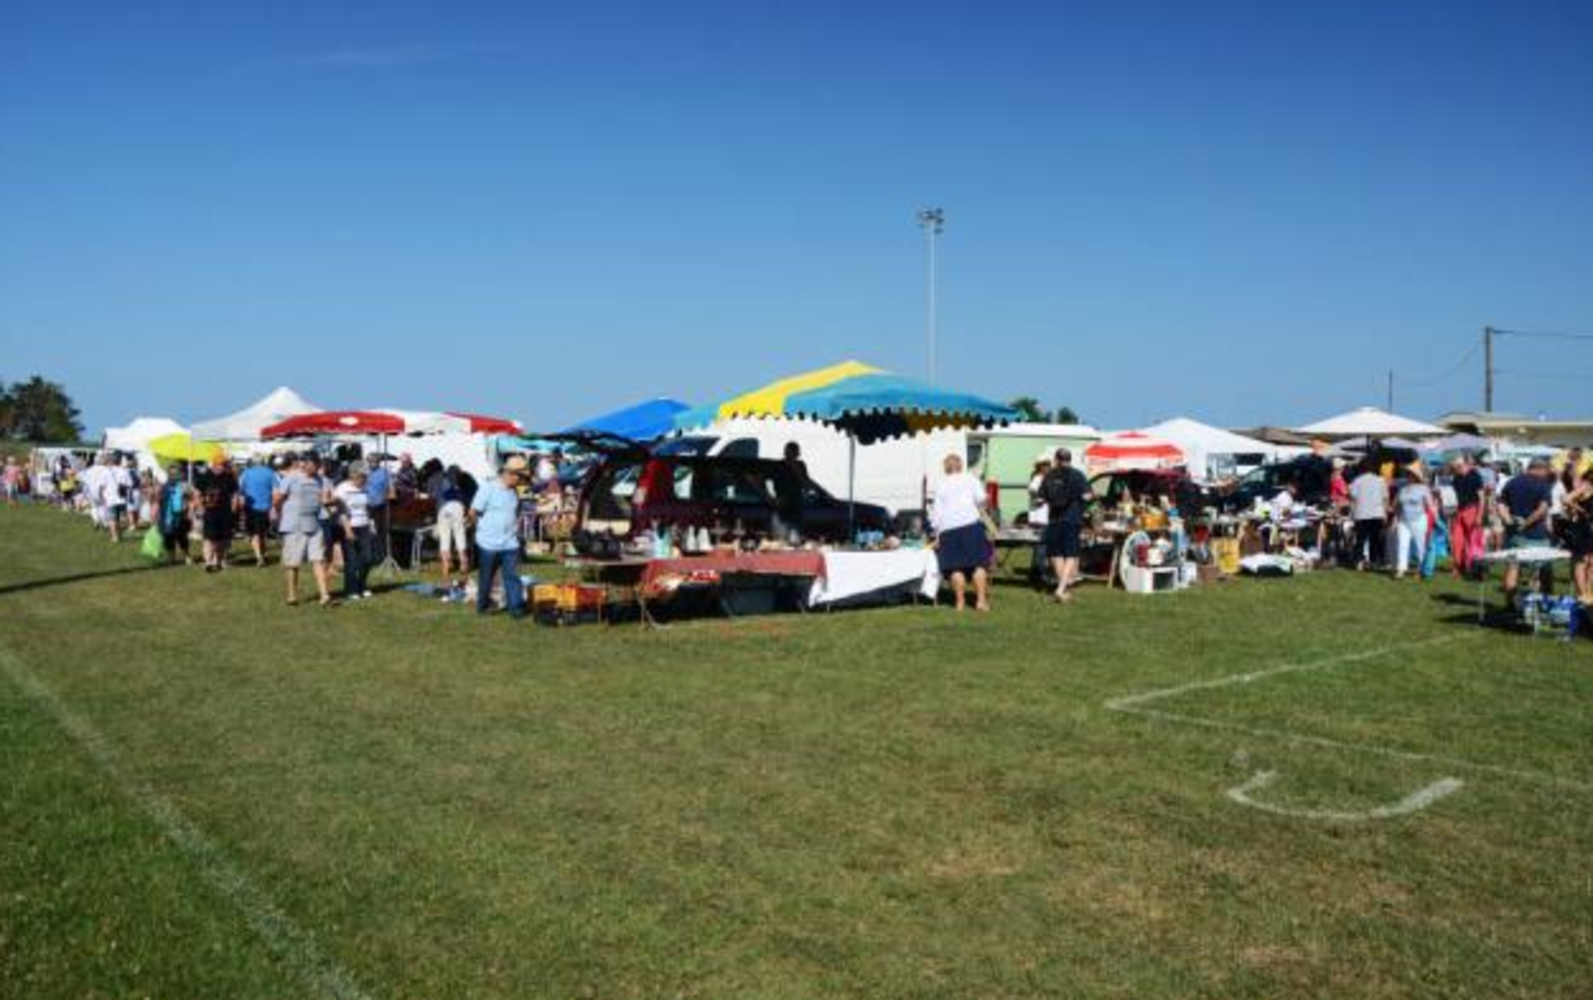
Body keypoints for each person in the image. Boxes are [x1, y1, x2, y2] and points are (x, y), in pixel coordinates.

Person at [930, 453, 991, 612]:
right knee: (979, 564)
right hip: (971, 526)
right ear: (961, 466)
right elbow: (982, 500)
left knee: (955, 567)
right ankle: (981, 601)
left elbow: (936, 514)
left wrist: (936, 535)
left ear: (946, 468)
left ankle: (960, 602)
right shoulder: (971, 479)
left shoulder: (941, 484)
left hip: (948, 529)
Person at [469, 456, 529, 618]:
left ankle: (515, 608)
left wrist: (514, 529)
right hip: (488, 543)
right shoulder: (487, 488)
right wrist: (481, 529)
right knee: (486, 578)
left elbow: (516, 512)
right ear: (509, 473)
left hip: (510, 543)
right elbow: (473, 512)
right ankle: (483, 606)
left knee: (512, 577)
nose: (521, 479)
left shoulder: (514, 491)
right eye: (519, 476)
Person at [274, 454, 334, 607]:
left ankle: (324, 595)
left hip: (314, 524)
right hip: (294, 525)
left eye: (318, 464)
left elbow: (324, 498)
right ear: (305, 464)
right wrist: (279, 512)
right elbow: (278, 499)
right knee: (293, 563)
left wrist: (331, 503)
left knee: (319, 559)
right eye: (314, 464)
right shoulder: (291, 477)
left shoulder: (321, 480)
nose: (316, 467)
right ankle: (292, 595)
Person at [1495, 457, 1554, 602]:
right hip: (1536, 535)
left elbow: (1500, 505)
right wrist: (1527, 523)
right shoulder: (1543, 484)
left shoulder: (1512, 482)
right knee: (1542, 571)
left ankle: (1509, 604)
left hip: (1514, 534)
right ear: (1540, 469)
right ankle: (1544, 603)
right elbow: (1542, 509)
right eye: (1546, 471)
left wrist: (1508, 521)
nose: (1547, 474)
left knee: (1513, 568)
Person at [1039, 447, 1090, 603]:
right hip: (1072, 518)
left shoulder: (1049, 475)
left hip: (1054, 518)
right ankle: (1061, 588)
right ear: (1070, 459)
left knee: (1056, 553)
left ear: (1056, 459)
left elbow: (1041, 498)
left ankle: (1062, 588)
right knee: (1071, 554)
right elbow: (1087, 496)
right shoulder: (1078, 475)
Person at [334, 465, 376, 600]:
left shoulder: (364, 488)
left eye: (365, 477)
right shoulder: (342, 489)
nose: (364, 480)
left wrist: (371, 525)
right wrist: (347, 529)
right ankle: (351, 590)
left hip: (364, 526)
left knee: (368, 558)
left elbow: (367, 508)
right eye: (362, 477)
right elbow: (341, 511)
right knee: (351, 561)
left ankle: (361, 584)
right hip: (349, 527)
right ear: (354, 476)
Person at [193, 459, 239, 573]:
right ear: (214, 464)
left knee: (223, 539)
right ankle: (208, 562)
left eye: (224, 465)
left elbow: (235, 494)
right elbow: (196, 492)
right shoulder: (205, 476)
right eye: (220, 464)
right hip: (209, 512)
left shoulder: (229, 477)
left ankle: (219, 561)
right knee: (209, 538)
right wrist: (200, 507)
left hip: (225, 512)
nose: (222, 467)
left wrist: (233, 507)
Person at [427, 463, 472, 579]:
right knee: (460, 537)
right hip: (459, 508)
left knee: (445, 539)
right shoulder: (461, 482)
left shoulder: (439, 480)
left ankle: (446, 568)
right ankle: (463, 565)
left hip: (444, 508)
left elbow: (432, 496)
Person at [1448, 455, 1487, 579]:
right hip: (1460, 511)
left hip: (1473, 509)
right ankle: (1458, 567)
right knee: (1456, 541)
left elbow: (1482, 498)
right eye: (1454, 468)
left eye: (1456, 467)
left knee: (1474, 542)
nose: (1455, 470)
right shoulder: (1456, 478)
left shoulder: (1475, 476)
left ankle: (1475, 568)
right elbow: (1456, 496)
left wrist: (1479, 515)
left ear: (1463, 465)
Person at [1392, 468, 1433, 580]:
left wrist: (1433, 519)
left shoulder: (1424, 488)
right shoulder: (1402, 489)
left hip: (1419, 520)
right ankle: (1401, 569)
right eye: (1407, 474)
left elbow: (1430, 505)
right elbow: (1395, 504)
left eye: (1410, 474)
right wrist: (1394, 516)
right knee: (1401, 544)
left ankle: (1420, 569)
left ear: (1416, 477)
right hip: (1403, 520)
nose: (1408, 476)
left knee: (1420, 546)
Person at [1348, 463, 1389, 570]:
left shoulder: (1357, 480)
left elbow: (1352, 497)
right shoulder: (1380, 480)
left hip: (1361, 513)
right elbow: (1385, 498)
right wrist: (1385, 514)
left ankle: (1359, 562)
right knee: (1374, 539)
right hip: (1377, 513)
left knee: (1360, 539)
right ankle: (1373, 561)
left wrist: (1352, 512)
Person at [238, 457, 277, 567]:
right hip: (266, 507)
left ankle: (259, 556)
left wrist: (240, 505)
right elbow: (275, 491)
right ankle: (262, 556)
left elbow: (240, 490)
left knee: (253, 533)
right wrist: (274, 507)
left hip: (250, 508)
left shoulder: (245, 473)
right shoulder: (271, 473)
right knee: (263, 534)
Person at [155, 465, 194, 564]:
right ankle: (171, 557)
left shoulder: (184, 486)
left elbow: (191, 499)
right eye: (172, 474)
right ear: (168, 475)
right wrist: (155, 514)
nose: (174, 476)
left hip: (181, 515)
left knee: (182, 537)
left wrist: (190, 511)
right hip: (166, 517)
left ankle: (187, 556)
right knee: (168, 537)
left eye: (176, 474)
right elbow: (158, 501)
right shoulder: (163, 487)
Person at [365, 455, 394, 566]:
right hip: (368, 506)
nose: (372, 463)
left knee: (381, 532)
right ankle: (370, 557)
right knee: (369, 533)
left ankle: (381, 557)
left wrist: (391, 494)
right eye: (370, 461)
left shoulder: (384, 472)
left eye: (374, 461)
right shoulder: (366, 473)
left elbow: (391, 488)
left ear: (378, 462)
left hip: (381, 506)